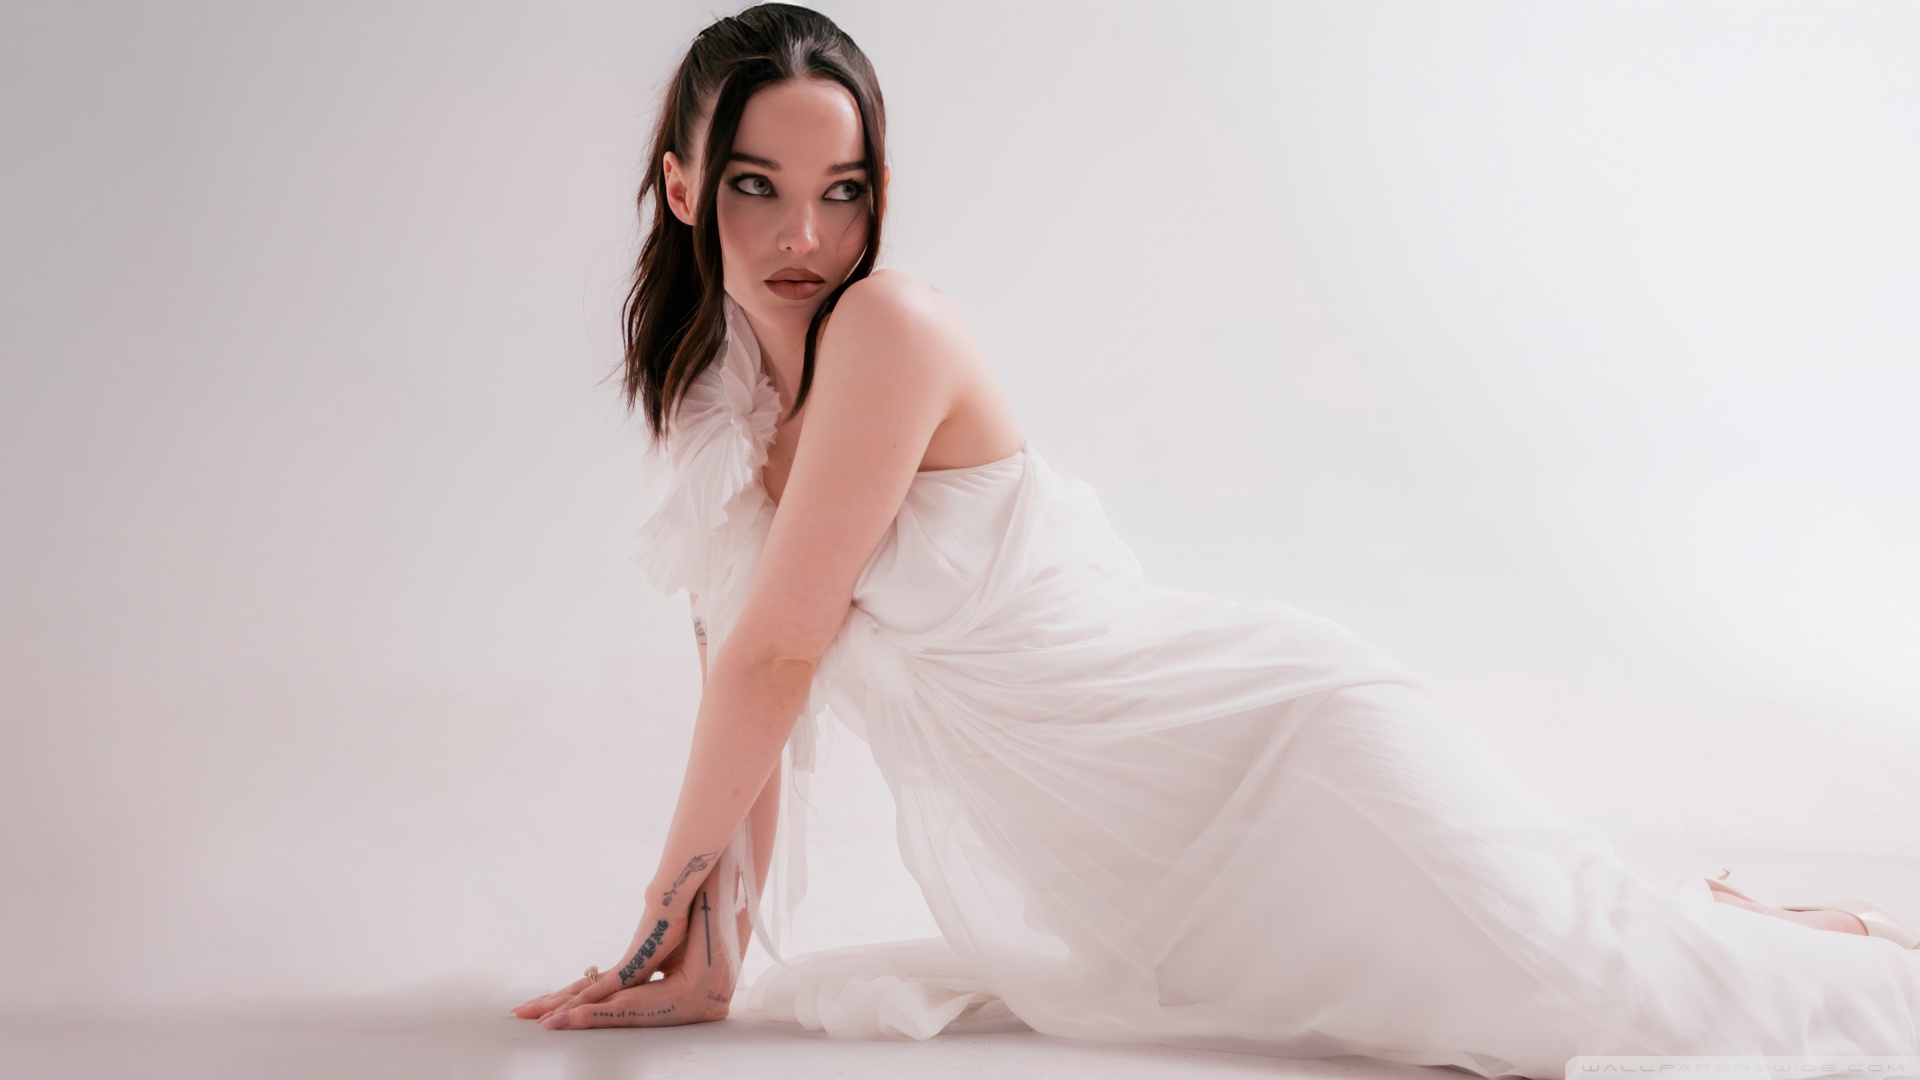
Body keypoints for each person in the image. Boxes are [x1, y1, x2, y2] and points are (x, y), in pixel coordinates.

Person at [511, 5, 1920, 1075]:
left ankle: (1840, 941)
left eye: (845, 188)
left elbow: (778, 653)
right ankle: (1738, 917)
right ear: (684, 189)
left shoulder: (891, 328)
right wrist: (710, 951)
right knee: (1525, 984)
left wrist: (655, 915)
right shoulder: (711, 410)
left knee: (1606, 1009)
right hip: (1128, 863)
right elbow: (743, 677)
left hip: (1267, 752)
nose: (806, 236)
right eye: (755, 185)